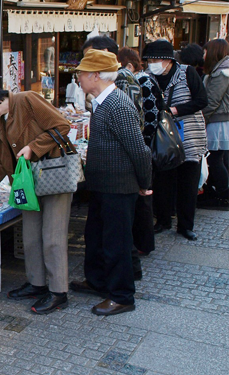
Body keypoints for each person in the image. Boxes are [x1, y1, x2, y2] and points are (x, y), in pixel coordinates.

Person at [0, 83, 73, 315]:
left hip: (53, 176)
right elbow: (3, 158)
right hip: (26, 182)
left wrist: (33, 147)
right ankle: (37, 284)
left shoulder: (27, 99)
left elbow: (62, 126)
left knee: (52, 236)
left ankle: (58, 292)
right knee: (31, 235)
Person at [70, 50, 152, 316]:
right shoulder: (102, 101)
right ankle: (98, 282)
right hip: (103, 185)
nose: (78, 78)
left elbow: (139, 150)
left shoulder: (118, 103)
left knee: (116, 242)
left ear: (95, 75)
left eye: (81, 73)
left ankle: (122, 295)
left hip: (119, 186)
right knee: (95, 237)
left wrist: (144, 183)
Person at [143, 39, 208, 241]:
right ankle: (163, 220)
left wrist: (175, 110)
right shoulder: (148, 77)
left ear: (168, 60)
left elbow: (202, 101)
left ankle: (185, 226)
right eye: (149, 59)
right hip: (163, 139)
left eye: (156, 59)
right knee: (163, 181)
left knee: (188, 184)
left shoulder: (187, 73)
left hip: (189, 136)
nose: (152, 63)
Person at [117, 47, 163, 270]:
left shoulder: (139, 81)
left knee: (142, 199)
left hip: (142, 145)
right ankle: (142, 245)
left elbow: (150, 115)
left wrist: (144, 141)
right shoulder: (139, 80)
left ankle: (143, 244)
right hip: (142, 144)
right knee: (140, 200)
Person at [199, 38, 229, 210]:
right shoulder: (222, 69)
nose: (203, 55)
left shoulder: (221, 72)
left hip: (218, 121)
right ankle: (221, 193)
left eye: (205, 51)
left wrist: (202, 120)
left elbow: (212, 100)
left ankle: (223, 195)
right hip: (222, 120)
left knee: (216, 159)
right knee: (220, 159)